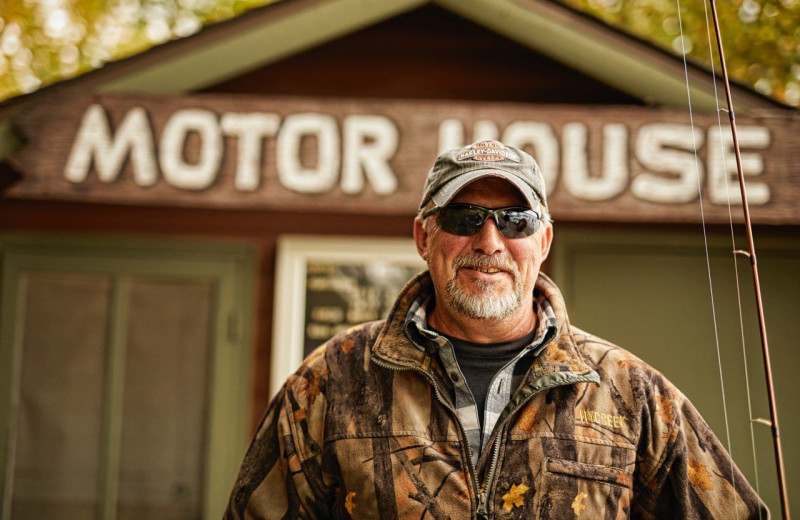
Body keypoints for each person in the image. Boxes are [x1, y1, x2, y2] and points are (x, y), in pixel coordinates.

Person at [225, 140, 768, 519]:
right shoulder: (330, 382)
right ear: (423, 236)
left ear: (544, 241)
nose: (489, 242)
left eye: (515, 221)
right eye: (464, 218)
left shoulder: (631, 393)